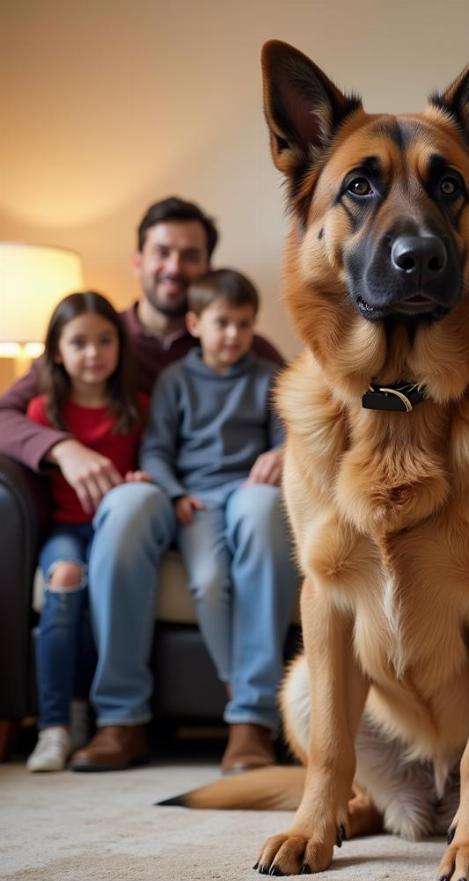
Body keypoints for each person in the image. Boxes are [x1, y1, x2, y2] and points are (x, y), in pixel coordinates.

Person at [0, 197, 289, 772]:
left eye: (190, 255)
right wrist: (63, 447)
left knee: (262, 510)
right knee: (127, 504)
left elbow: (299, 407)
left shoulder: (243, 345)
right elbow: (6, 411)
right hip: (155, 488)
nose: (174, 267)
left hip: (229, 495)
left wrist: (293, 449)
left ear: (206, 265)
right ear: (139, 259)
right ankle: (121, 717)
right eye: (162, 252)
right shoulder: (103, 333)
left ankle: (253, 720)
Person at [139, 269, 296, 772]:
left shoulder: (267, 378)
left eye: (244, 324)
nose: (233, 335)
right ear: (195, 323)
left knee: (260, 509)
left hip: (248, 489)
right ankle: (238, 684)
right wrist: (174, 492)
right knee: (208, 582)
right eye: (222, 323)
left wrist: (283, 453)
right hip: (198, 499)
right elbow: (156, 449)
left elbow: (295, 432)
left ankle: (249, 718)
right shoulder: (175, 381)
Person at [25, 292, 150, 771]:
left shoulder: (136, 407)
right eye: (78, 343)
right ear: (57, 351)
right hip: (67, 530)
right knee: (64, 579)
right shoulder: (43, 411)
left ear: (120, 347)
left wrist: (142, 477)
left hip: (114, 533)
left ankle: (84, 713)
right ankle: (53, 727)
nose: (93, 353)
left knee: (107, 581)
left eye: (104, 341)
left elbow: (153, 459)